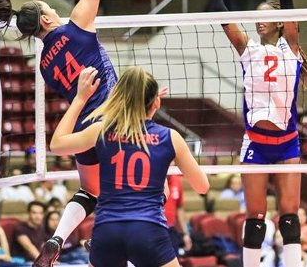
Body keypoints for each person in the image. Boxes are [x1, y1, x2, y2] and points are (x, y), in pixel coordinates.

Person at [0, 0, 116, 267]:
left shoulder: (42, 64)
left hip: (82, 127)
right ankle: (104, 242)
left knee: (90, 190)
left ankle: (58, 238)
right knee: (133, 192)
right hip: (113, 118)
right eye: (48, 7)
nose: (54, 7)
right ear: (44, 17)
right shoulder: (78, 28)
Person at [195, 0, 307, 267]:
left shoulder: (290, 50)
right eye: (255, 16)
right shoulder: (247, 50)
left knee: (290, 217)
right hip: (256, 144)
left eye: (265, 16)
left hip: (287, 143)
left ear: (280, 23)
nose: (258, 20)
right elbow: (221, 13)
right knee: (256, 217)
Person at [49, 66, 209, 267]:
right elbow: (203, 187)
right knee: (164, 190)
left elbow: (56, 145)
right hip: (148, 231)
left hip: (107, 231)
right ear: (157, 103)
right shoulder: (170, 137)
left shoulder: (101, 130)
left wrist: (80, 99)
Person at [164, 175, 192, 257]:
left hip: (171, 230)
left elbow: (179, 208)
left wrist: (185, 233)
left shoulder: (177, 180)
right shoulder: (152, 178)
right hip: (154, 229)